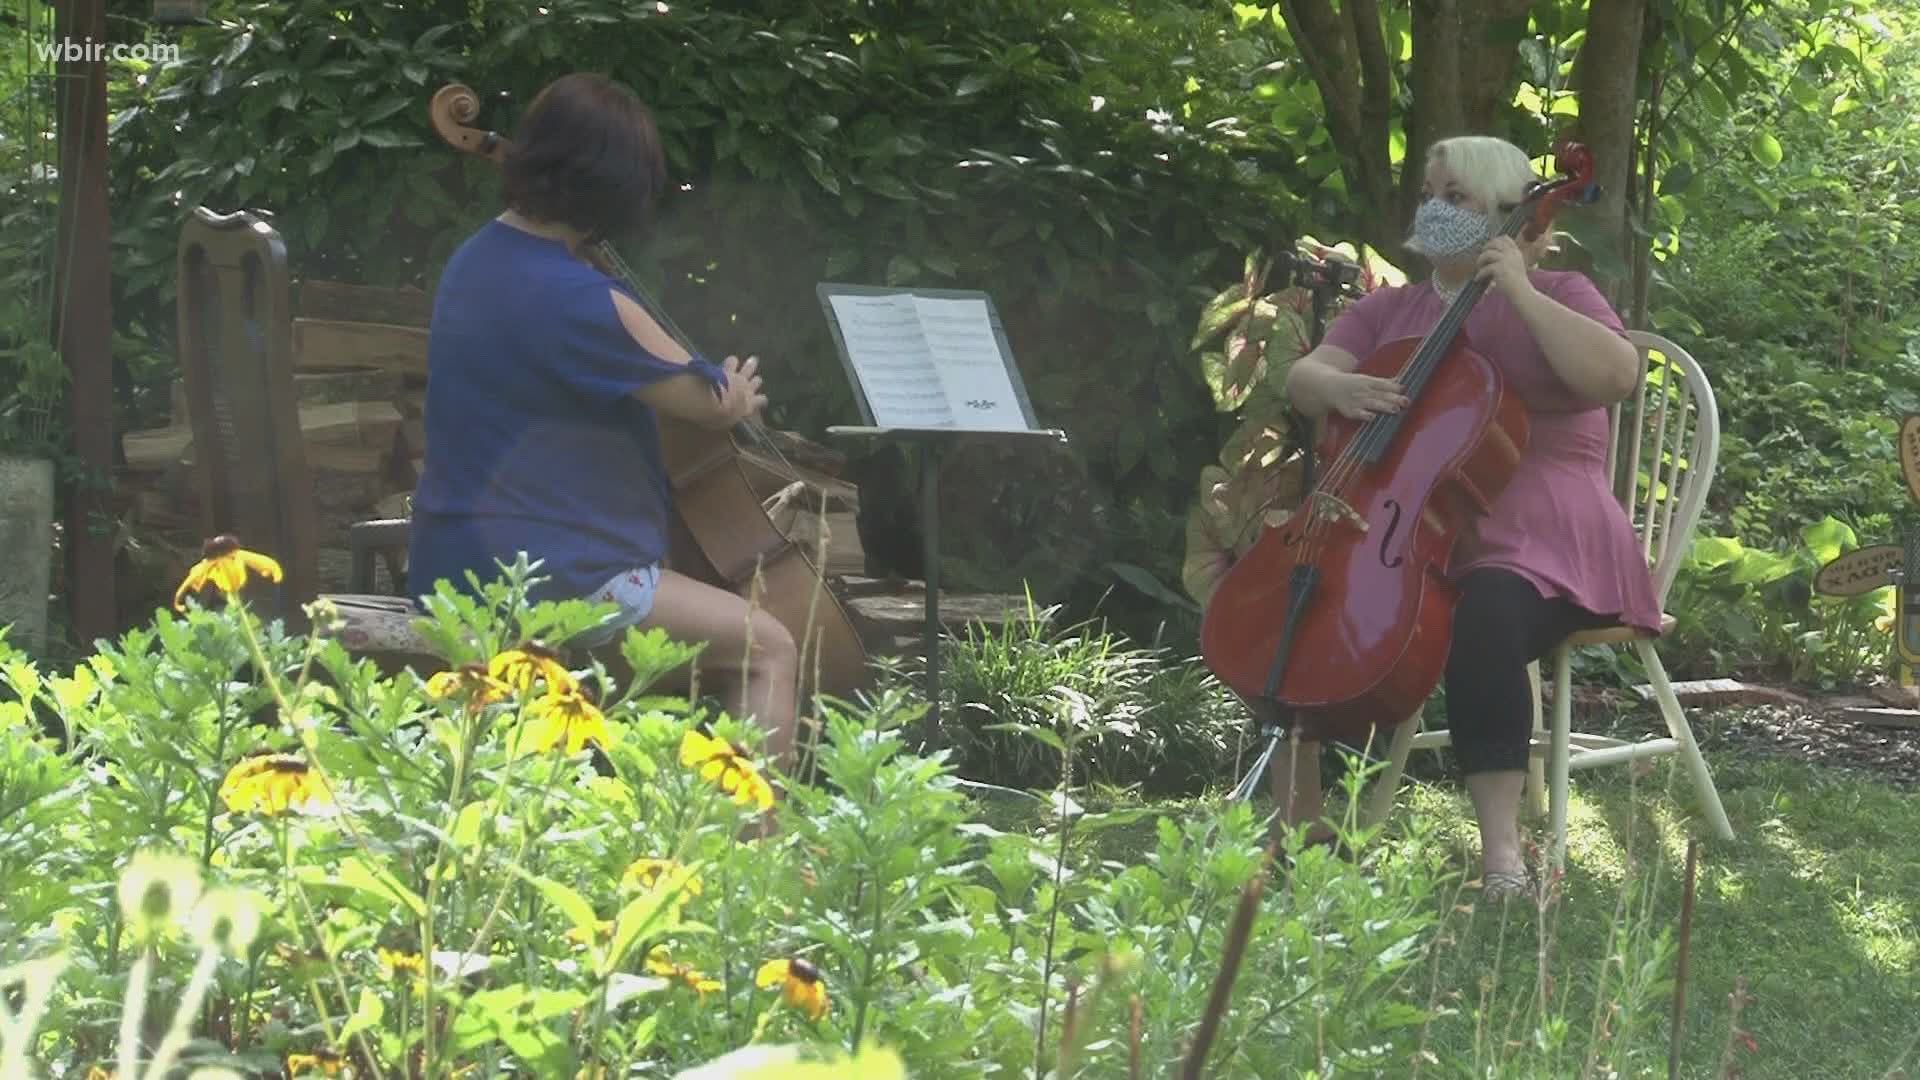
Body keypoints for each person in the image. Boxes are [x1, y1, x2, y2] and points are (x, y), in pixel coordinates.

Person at [1273, 135, 1659, 899]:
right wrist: (1338, 390)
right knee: (1304, 593)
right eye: (1429, 195)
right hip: (1421, 525)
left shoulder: (1565, 295)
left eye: (1456, 199)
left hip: (1549, 526)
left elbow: (1617, 376)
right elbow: (1303, 374)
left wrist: (1518, 288)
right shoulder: (1391, 309)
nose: (1434, 211)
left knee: (1483, 610)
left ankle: (1502, 854)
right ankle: (1304, 826)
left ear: (1508, 217)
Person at [406, 72, 801, 766]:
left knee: (644, 675)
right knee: (769, 649)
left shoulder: (471, 263)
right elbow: (707, 402)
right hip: (556, 576)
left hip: (447, 566)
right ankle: (751, 864)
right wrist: (736, 393)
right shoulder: (584, 301)